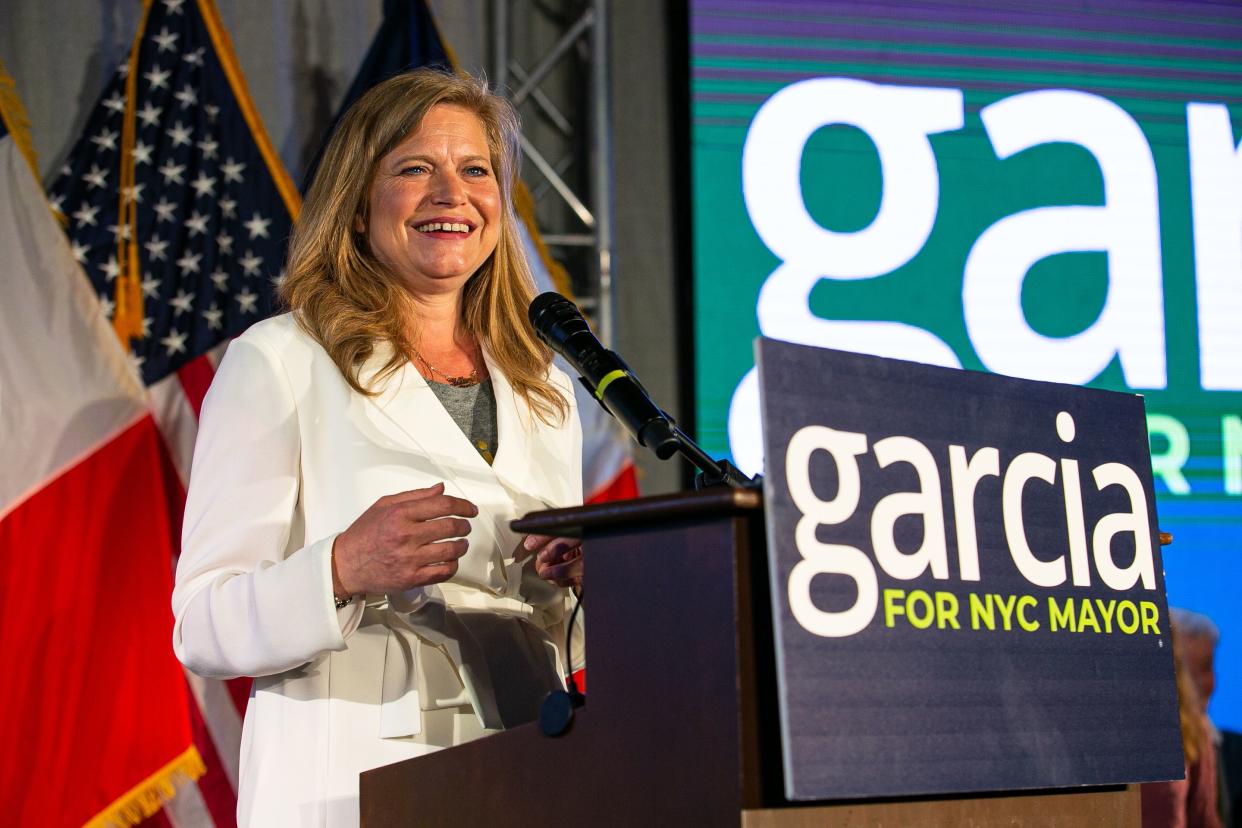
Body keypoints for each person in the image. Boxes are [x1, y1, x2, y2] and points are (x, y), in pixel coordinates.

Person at [171, 68, 585, 826]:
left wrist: (592, 582)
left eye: (475, 170)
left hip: (525, 768)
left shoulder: (544, 390)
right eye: (414, 168)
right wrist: (341, 568)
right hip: (351, 780)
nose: (449, 194)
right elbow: (202, 622)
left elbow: (549, 621)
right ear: (359, 206)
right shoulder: (282, 360)